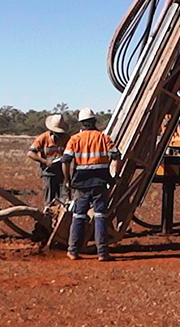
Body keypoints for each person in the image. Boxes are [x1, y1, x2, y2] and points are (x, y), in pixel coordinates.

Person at [61, 107, 120, 261]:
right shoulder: (104, 138)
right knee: (100, 216)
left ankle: (72, 251)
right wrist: (113, 176)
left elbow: (65, 161)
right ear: (94, 122)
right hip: (100, 183)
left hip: (81, 184)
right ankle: (102, 253)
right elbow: (116, 156)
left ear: (81, 123)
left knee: (78, 216)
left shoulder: (74, 139)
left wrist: (67, 180)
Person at [27, 114, 70, 207]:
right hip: (48, 173)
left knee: (64, 199)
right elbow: (30, 153)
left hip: (62, 172)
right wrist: (45, 161)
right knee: (49, 200)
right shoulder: (43, 138)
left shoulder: (67, 138)